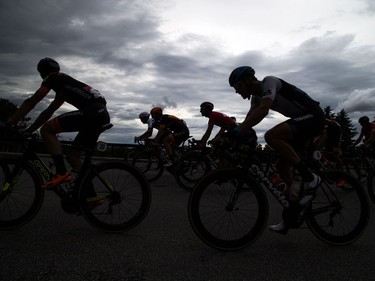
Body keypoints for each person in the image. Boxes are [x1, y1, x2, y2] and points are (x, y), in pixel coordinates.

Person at [228, 65, 325, 234]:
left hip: (314, 115)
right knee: (281, 166)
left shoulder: (269, 82)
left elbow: (264, 109)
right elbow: (249, 120)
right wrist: (235, 136)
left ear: (248, 80)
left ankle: (310, 178)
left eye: (237, 86)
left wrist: (241, 130)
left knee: (271, 136)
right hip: (301, 121)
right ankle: (292, 212)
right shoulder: (255, 98)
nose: (237, 92)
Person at [6, 58, 110, 189]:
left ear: (42, 73)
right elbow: (48, 112)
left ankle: (61, 172)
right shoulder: (63, 87)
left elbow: (32, 101)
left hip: (92, 112)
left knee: (46, 130)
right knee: (73, 157)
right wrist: (30, 130)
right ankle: (90, 196)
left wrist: (11, 122)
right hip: (101, 114)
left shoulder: (52, 78)